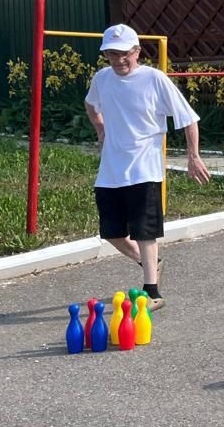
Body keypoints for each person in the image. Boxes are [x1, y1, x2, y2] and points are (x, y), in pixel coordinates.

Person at [84, 24, 210, 311]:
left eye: (123, 54)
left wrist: (193, 156)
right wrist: (101, 130)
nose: (117, 60)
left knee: (144, 231)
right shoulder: (102, 79)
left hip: (145, 168)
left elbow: (188, 118)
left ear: (137, 51)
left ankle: (152, 291)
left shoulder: (154, 79)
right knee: (112, 233)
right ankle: (149, 263)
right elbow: (91, 105)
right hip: (111, 170)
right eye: (111, 54)